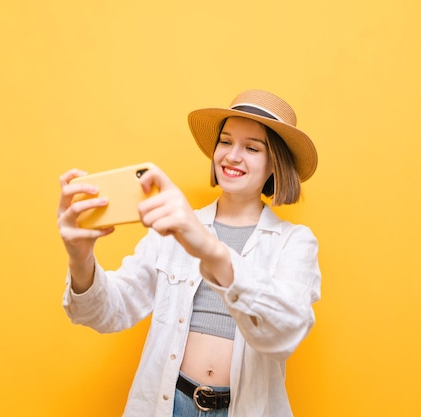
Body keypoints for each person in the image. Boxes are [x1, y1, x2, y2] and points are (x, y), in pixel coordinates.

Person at [58, 89, 321, 417]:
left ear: (275, 166)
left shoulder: (295, 242)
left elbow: (285, 331)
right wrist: (80, 258)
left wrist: (210, 249)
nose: (232, 156)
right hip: (170, 403)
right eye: (225, 142)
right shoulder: (172, 229)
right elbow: (109, 312)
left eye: (252, 147)